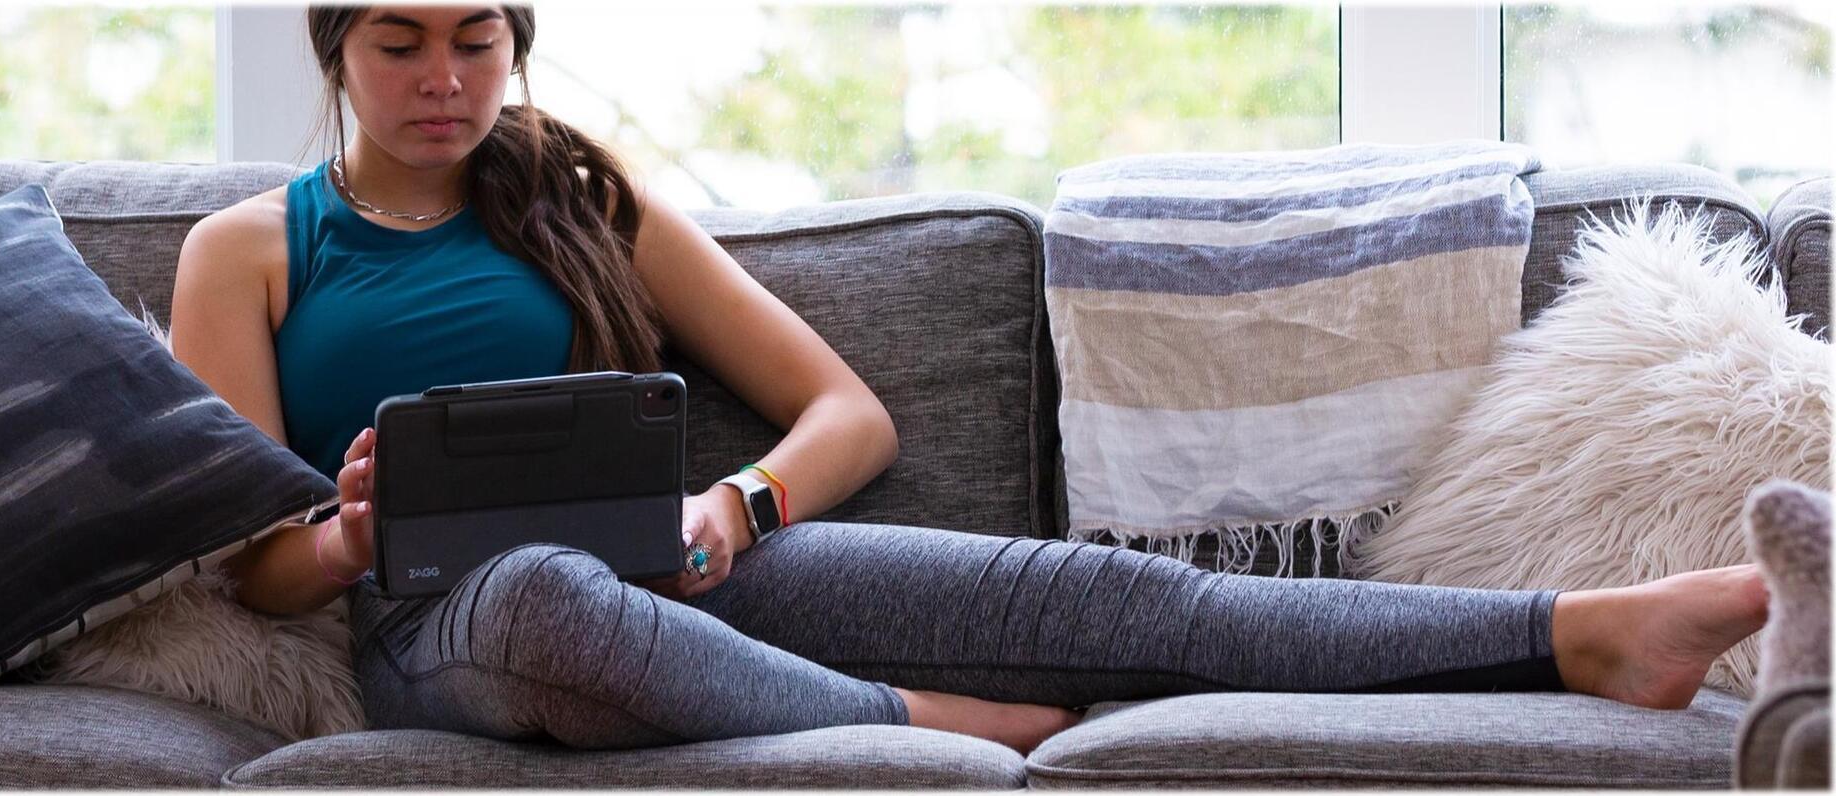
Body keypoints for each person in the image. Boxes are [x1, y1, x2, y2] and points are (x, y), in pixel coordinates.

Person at [169, 3, 1772, 755]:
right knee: (544, 598)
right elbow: (249, 566)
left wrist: (738, 506)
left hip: (690, 571)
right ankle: (924, 722)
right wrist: (354, 538)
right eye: (399, 42)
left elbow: (847, 416)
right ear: (334, 49)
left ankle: (1573, 633)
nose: (443, 78)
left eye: (475, 38)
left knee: (1109, 598)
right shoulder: (246, 252)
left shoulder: (585, 200)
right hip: (442, 622)